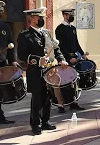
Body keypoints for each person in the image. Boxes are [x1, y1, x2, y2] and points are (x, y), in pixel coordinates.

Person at [17, 7, 68, 135]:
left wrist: (61, 59)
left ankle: (45, 121)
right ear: (32, 19)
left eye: (42, 18)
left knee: (48, 97)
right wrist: (38, 60)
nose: (42, 20)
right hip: (36, 72)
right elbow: (22, 55)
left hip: (50, 70)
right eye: (39, 18)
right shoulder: (24, 35)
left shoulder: (47, 33)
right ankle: (36, 124)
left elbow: (56, 49)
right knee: (37, 98)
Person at [55, 8, 85, 113]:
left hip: (75, 58)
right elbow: (60, 46)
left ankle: (74, 102)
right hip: (66, 59)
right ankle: (61, 104)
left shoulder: (73, 28)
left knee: (74, 81)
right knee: (65, 82)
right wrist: (68, 58)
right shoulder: (60, 28)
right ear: (64, 15)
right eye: (69, 15)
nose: (71, 16)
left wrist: (82, 54)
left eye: (72, 14)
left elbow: (76, 43)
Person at [0, 0, 18, 124]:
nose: (0, 11)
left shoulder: (5, 26)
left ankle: (0, 116)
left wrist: (13, 61)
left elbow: (11, 43)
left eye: (1, 10)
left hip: (2, 64)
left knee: (0, 91)